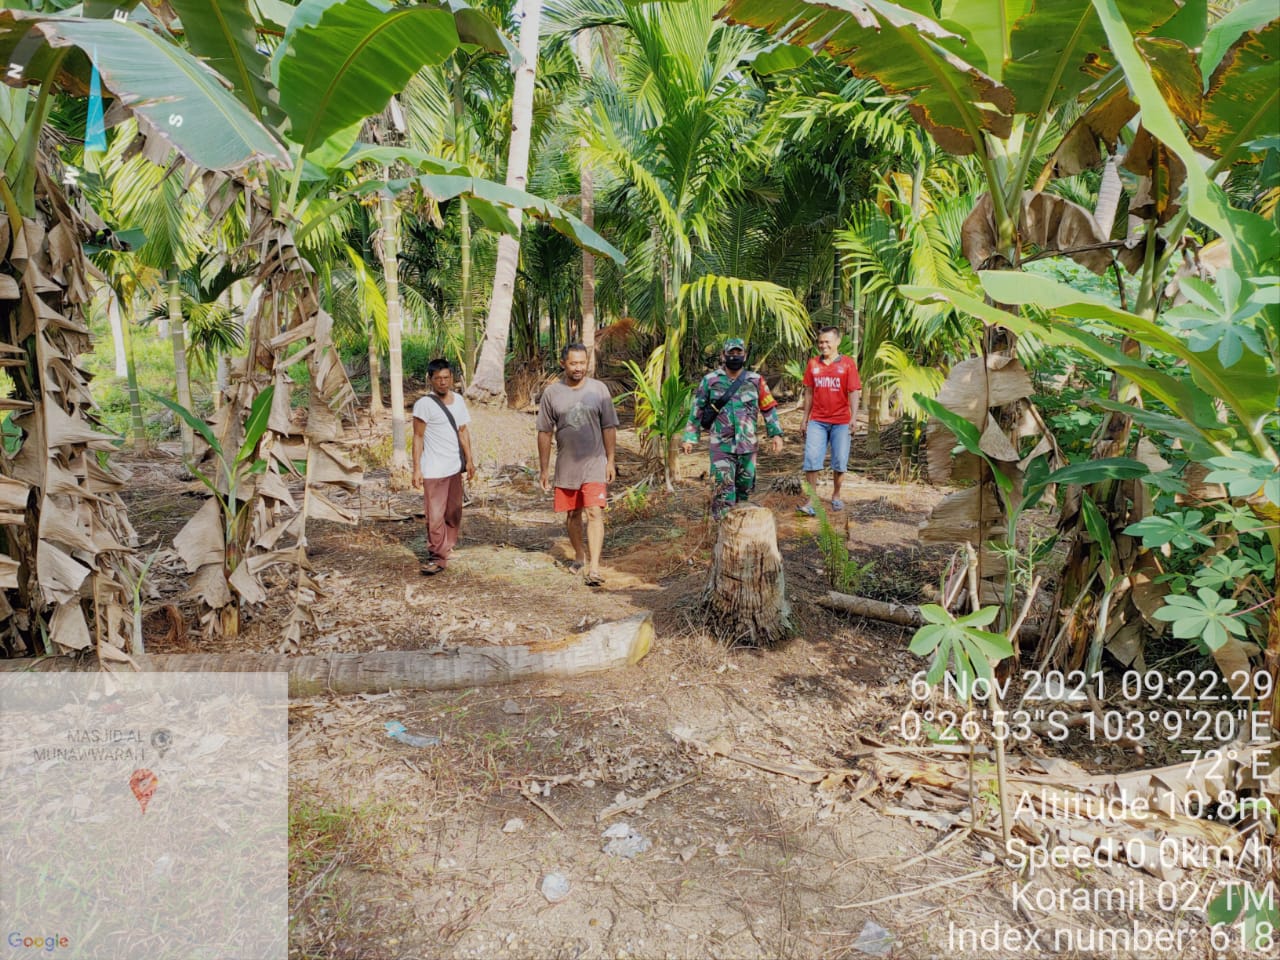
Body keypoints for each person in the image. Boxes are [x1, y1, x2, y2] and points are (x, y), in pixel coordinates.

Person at [537, 343, 618, 587]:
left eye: (582, 363)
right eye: (573, 363)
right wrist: (544, 468)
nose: (579, 368)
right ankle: (579, 555)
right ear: (563, 363)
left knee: (594, 512)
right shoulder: (552, 393)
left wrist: (611, 460)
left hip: (595, 462)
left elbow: (609, 427)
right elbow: (544, 432)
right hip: (566, 464)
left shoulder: (599, 390)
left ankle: (594, 567)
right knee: (573, 514)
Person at [681, 338, 783, 520]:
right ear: (723, 355)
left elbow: (768, 408)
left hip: (748, 445)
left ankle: (741, 529)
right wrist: (690, 437)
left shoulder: (755, 380)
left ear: (744, 356)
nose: (734, 357)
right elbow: (697, 409)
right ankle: (722, 530)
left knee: (744, 489)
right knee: (724, 489)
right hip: (721, 445)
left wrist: (776, 434)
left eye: (738, 353)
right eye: (731, 354)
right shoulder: (710, 381)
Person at [411, 359, 476, 576]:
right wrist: (416, 469)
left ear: (452, 379)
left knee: (454, 511)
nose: (442, 382)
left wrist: (470, 460)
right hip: (433, 469)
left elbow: (463, 432)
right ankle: (437, 556)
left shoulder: (458, 400)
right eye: (438, 378)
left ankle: (447, 547)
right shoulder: (424, 405)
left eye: (446, 377)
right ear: (430, 380)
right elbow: (418, 437)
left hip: (454, 467)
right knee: (435, 514)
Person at [799, 326, 861, 515]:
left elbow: (854, 392)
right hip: (818, 420)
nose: (823, 345)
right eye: (820, 342)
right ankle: (812, 500)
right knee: (811, 459)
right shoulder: (813, 364)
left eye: (827, 342)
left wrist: (854, 417)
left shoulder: (847, 364)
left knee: (840, 460)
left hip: (841, 421)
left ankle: (836, 495)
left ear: (837, 342)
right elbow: (809, 392)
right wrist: (805, 418)